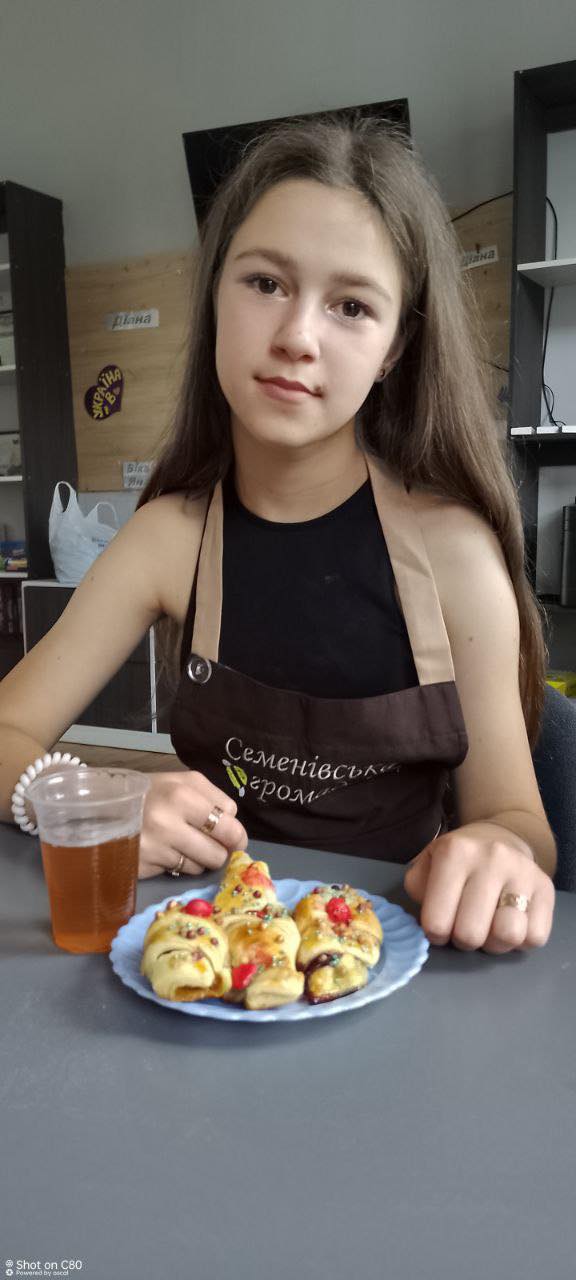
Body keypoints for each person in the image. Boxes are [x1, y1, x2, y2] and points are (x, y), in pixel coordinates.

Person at [0, 114, 556, 955]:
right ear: (214, 295)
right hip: (208, 954)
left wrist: (500, 851)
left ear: (394, 347)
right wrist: (97, 795)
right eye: (265, 283)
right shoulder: (168, 539)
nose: (297, 337)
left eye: (352, 306)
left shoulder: (456, 554)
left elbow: (519, 821)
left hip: (395, 959)